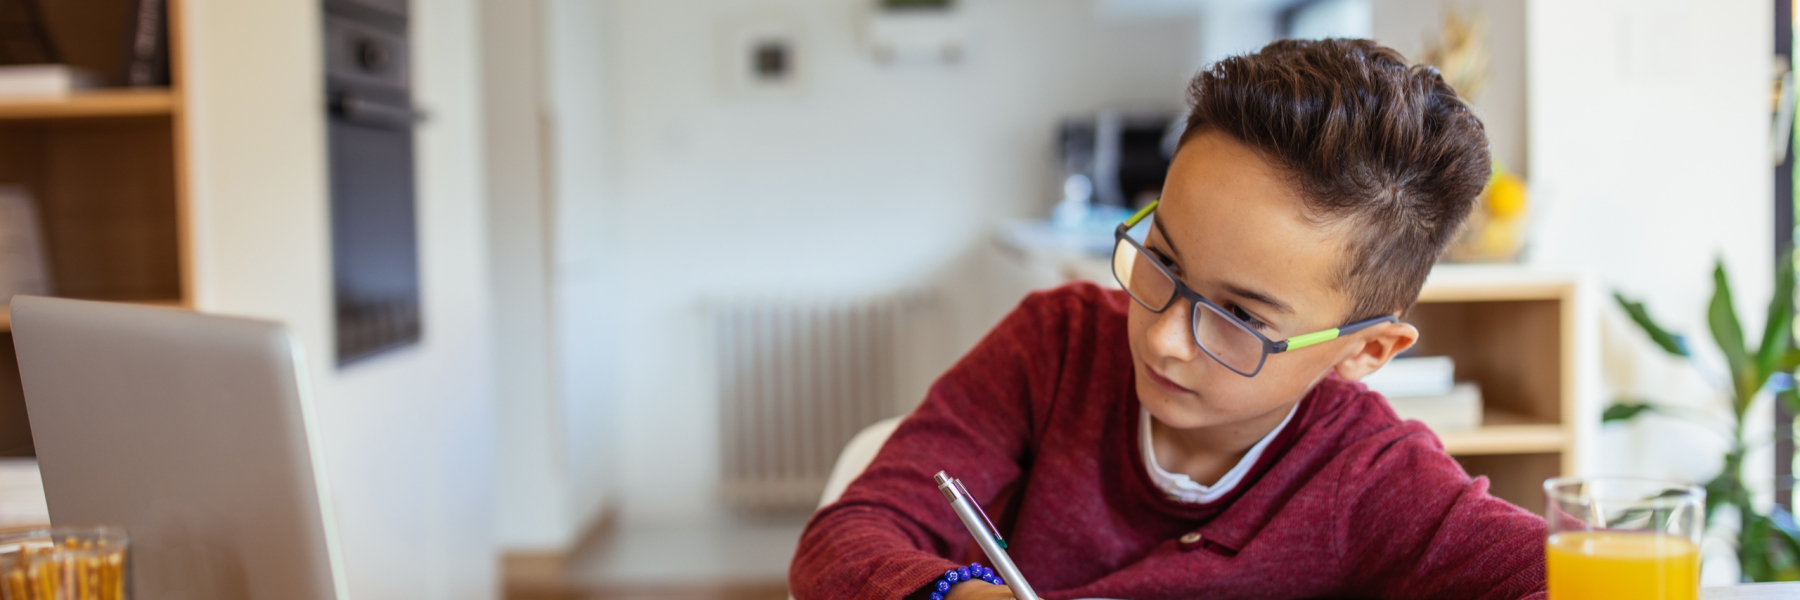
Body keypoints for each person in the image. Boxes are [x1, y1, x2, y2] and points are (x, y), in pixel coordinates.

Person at [789, 38, 1545, 600]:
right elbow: (842, 544)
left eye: (1239, 316)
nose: (1161, 336)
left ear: (1367, 349)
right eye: (1163, 261)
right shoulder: (1056, 347)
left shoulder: (1374, 479)